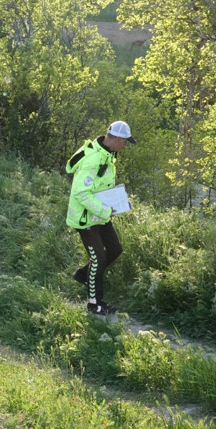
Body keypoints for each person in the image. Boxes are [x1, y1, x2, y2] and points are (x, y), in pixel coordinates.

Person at [66, 120, 136, 315]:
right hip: (85, 218)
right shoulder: (93, 160)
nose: (126, 145)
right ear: (118, 139)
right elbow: (81, 193)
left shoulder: (107, 155)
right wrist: (105, 211)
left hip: (99, 214)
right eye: (125, 142)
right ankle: (94, 304)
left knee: (115, 249)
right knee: (98, 258)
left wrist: (109, 206)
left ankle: (83, 275)